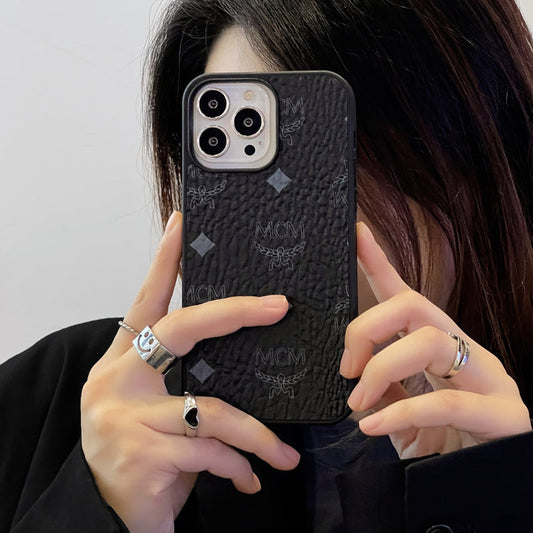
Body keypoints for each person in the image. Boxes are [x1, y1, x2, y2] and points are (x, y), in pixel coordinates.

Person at [2, 0, 533, 532]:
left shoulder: (511, 447)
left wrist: (483, 494)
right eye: (236, 163)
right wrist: (99, 510)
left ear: (482, 151)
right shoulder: (51, 402)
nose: (288, 206)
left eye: (323, 145)